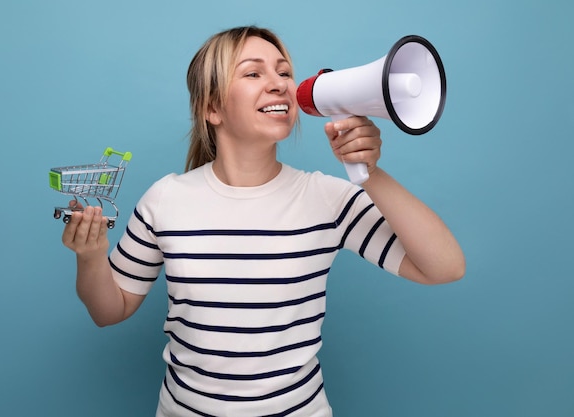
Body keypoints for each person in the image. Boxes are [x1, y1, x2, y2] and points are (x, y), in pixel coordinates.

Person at [61, 26, 465, 417]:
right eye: (253, 72)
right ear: (212, 108)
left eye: (285, 72)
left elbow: (445, 268)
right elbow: (108, 311)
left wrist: (371, 173)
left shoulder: (327, 199)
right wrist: (91, 256)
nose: (279, 84)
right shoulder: (165, 199)